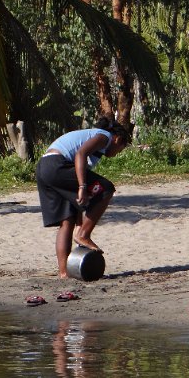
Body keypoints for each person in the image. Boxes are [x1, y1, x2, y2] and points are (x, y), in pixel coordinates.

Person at [36, 116, 131, 279]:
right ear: (118, 139)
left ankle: (64, 272)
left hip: (44, 168)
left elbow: (80, 167)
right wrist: (82, 187)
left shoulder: (94, 141)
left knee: (68, 220)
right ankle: (84, 235)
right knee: (106, 189)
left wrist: (80, 213)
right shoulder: (104, 137)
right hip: (58, 165)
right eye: (120, 149)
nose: (115, 154)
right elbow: (80, 154)